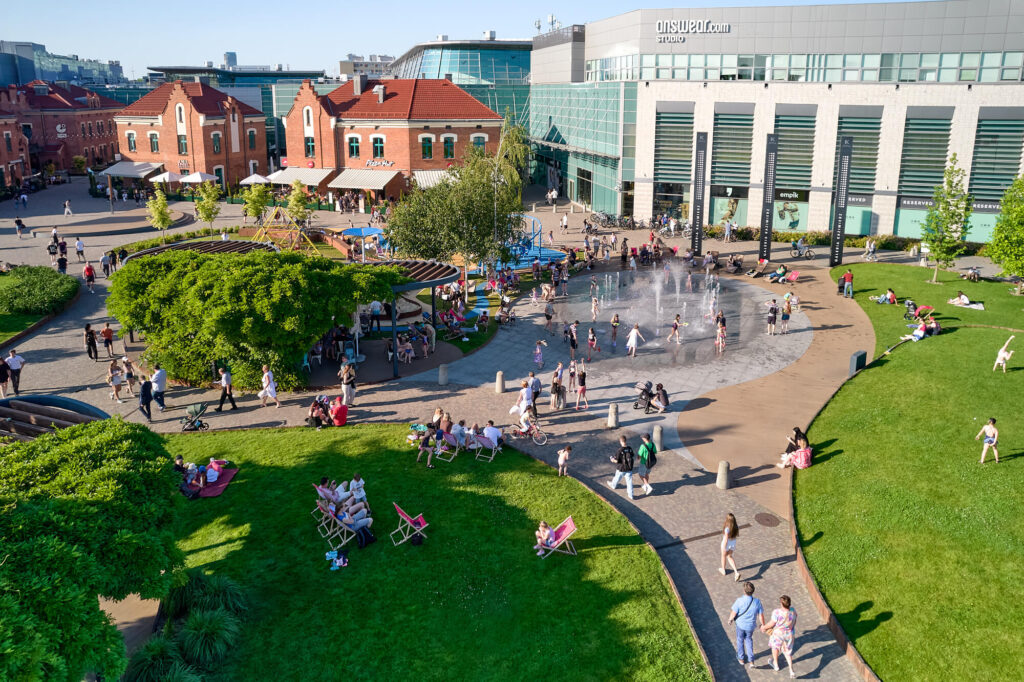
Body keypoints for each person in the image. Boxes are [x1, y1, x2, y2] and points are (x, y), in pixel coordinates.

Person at [728, 582, 765, 669]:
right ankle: (751, 661)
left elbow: (733, 613)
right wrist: (763, 625)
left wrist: (730, 620)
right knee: (748, 640)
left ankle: (741, 659)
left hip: (740, 625)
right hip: (750, 626)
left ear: (744, 591)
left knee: (740, 640)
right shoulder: (757, 602)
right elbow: (761, 615)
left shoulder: (739, 600)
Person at [762, 595, 798, 676]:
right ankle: (791, 670)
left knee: (775, 647)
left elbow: (771, 623)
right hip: (789, 634)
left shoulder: (777, 612)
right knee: (788, 652)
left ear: (782, 604)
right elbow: (795, 620)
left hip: (778, 634)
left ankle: (776, 664)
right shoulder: (793, 610)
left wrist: (764, 627)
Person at [607, 435, 636, 501]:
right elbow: (632, 455)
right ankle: (631, 495)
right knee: (629, 482)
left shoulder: (620, 450)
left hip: (621, 468)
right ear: (625, 441)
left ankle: (613, 485)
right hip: (629, 468)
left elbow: (616, 461)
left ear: (620, 441)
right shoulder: (629, 448)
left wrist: (612, 459)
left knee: (617, 477)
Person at [720, 512, 740, 580]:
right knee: (729, 557)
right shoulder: (736, 527)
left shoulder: (727, 529)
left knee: (723, 556)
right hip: (733, 544)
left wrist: (724, 547)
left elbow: (726, 539)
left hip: (727, 544)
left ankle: (723, 570)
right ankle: (736, 572)